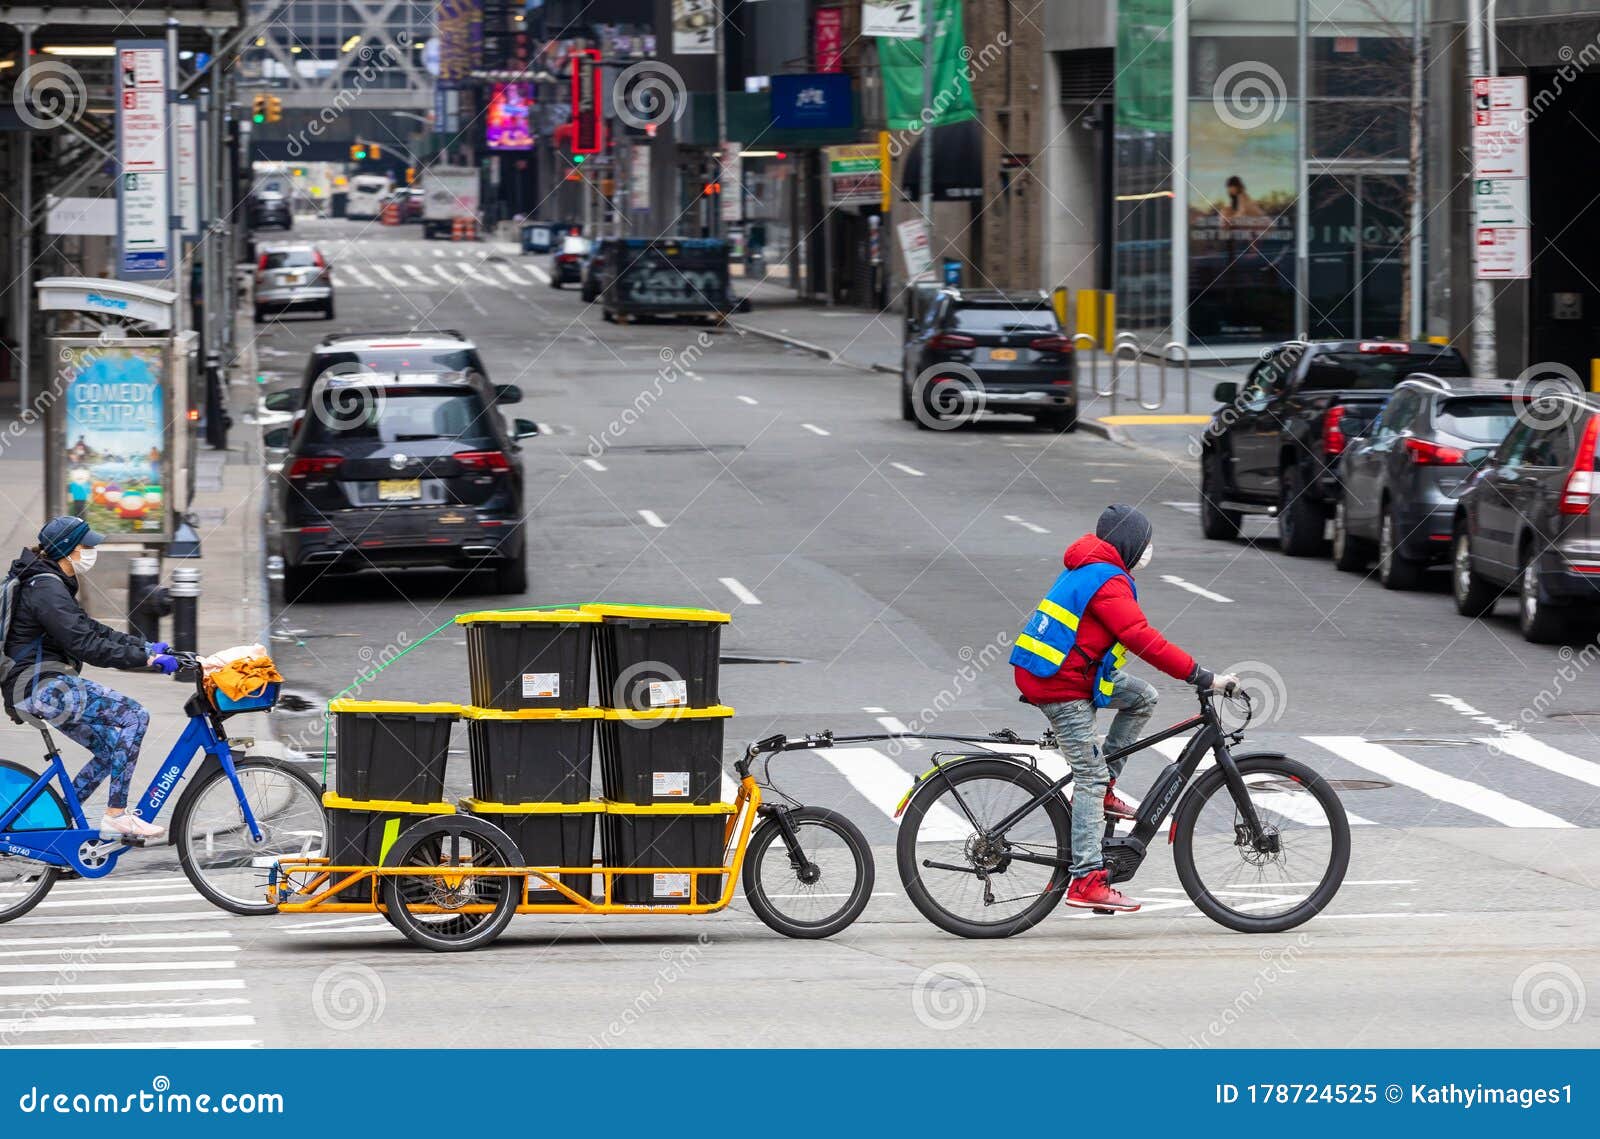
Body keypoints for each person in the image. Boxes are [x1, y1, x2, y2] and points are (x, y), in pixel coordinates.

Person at [1012, 504, 1236, 913]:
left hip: (1072, 674)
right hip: (1060, 684)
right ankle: (1086, 879)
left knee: (1143, 697)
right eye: (1146, 542)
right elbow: (1142, 638)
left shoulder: (1095, 568)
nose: (1150, 550)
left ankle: (1104, 790)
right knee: (1089, 777)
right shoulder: (1107, 579)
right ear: (1130, 543)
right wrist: (1200, 675)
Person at [2, 517, 177, 839]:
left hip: (37, 685)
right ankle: (116, 815)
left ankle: (56, 829)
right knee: (134, 716)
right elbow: (86, 645)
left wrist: (144, 646)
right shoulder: (46, 588)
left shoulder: (50, 582)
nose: (93, 551)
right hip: (41, 686)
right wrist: (147, 660)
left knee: (114, 751)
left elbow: (91, 629)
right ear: (68, 550)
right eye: (88, 546)